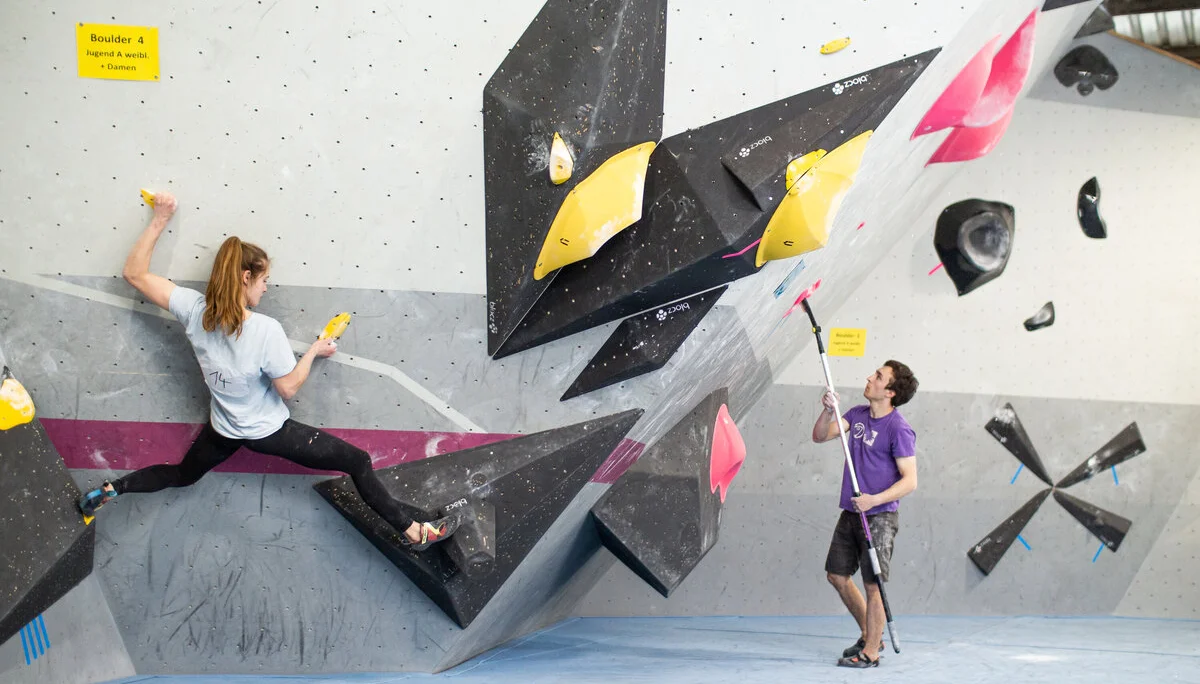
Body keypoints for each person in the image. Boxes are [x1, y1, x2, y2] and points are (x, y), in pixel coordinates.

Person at [78, 191, 459, 552]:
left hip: (222, 430)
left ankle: (113, 489)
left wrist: (160, 217)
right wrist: (313, 350)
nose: (265, 288)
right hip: (268, 433)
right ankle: (415, 532)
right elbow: (288, 388)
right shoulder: (264, 329)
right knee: (357, 461)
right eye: (263, 281)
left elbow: (134, 273)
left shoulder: (194, 311)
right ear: (246, 277)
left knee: (182, 475)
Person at [811, 360, 918, 668]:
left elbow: (910, 480)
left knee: (874, 585)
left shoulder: (899, 429)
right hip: (852, 512)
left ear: (891, 392)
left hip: (879, 516)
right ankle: (870, 634)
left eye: (879, 377)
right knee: (837, 575)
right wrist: (828, 410)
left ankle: (871, 653)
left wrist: (875, 500)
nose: (870, 378)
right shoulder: (856, 415)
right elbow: (820, 436)